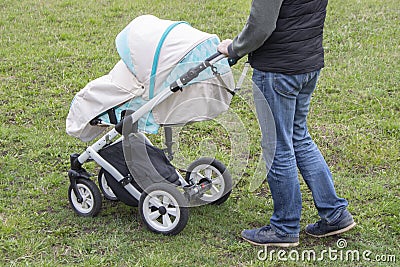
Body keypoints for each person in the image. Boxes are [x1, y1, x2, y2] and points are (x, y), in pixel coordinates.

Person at [218, 0, 356, 247]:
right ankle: (335, 214)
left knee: (278, 146)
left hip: (278, 70)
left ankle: (284, 228)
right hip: (307, 63)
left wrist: (235, 48)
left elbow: (261, 26)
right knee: (297, 137)